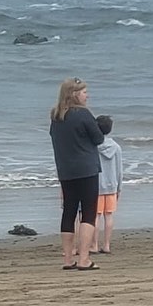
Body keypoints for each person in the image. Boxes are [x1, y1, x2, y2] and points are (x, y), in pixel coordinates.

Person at [50, 78, 104, 270]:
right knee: (88, 213)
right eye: (83, 92)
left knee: (69, 212)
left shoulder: (56, 115)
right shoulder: (83, 114)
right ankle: (83, 259)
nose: (86, 95)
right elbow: (98, 138)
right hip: (86, 169)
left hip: (66, 170)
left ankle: (68, 259)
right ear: (74, 94)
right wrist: (101, 126)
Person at [92, 115, 122, 254]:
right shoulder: (116, 147)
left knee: (95, 216)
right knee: (109, 216)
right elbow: (119, 169)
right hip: (111, 186)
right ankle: (107, 245)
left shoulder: (92, 145)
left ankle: (95, 245)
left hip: (96, 186)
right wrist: (119, 188)